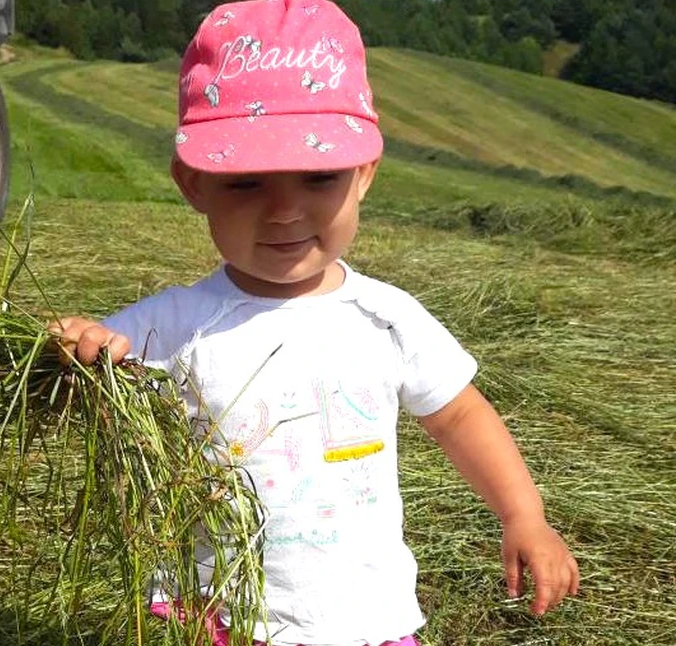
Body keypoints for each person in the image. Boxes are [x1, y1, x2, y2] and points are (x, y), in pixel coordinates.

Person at [51, 0, 580, 644]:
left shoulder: (385, 319)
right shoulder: (174, 325)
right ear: (194, 185)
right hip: (222, 612)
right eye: (246, 183)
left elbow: (459, 414)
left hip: (362, 611)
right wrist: (81, 349)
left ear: (363, 176)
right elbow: (90, 376)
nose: (283, 211)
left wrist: (524, 514)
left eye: (319, 176)